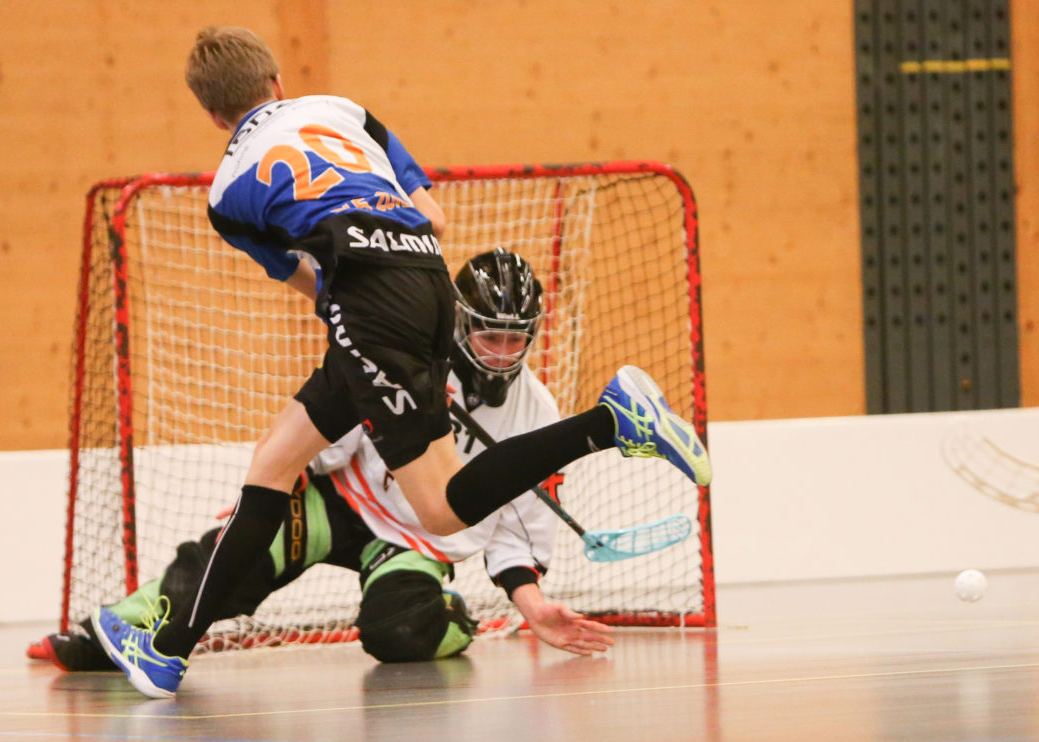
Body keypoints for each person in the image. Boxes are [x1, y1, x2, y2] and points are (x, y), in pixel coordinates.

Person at [93, 27, 711, 699]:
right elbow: (434, 219)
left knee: (443, 509)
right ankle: (168, 649)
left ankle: (608, 422)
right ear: (277, 82)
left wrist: (354, 308)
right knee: (274, 461)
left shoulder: (226, 198)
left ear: (213, 115)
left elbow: (308, 283)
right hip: (430, 280)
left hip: (365, 301)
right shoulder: (340, 110)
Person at [38, 250, 612, 672]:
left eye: (517, 339)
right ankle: (106, 632)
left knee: (399, 635)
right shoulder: (409, 359)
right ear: (459, 321)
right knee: (230, 557)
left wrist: (532, 608)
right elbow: (337, 422)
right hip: (337, 498)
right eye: (489, 335)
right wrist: (282, 487)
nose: (501, 353)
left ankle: (451, 617)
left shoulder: (538, 413)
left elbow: (517, 524)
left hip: (414, 544)